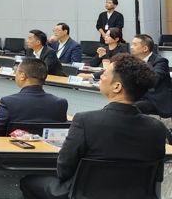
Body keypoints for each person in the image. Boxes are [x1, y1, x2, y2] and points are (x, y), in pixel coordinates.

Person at [20, 54, 167, 199]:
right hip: (137, 194)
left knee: (28, 182)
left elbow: (64, 169)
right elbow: (157, 175)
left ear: (117, 87)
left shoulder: (85, 121)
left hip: (84, 193)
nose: (100, 76)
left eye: (105, 74)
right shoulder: (158, 128)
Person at [0, 58, 68, 136]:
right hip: (47, 148)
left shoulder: (8, 102)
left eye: (16, 71)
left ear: (22, 76)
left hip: (13, 148)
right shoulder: (61, 103)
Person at [130, 34, 172, 118]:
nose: (131, 47)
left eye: (135, 44)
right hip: (139, 95)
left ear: (145, 48)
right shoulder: (132, 60)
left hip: (154, 98)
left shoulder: (160, 61)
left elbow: (154, 79)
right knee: (118, 104)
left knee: (132, 107)